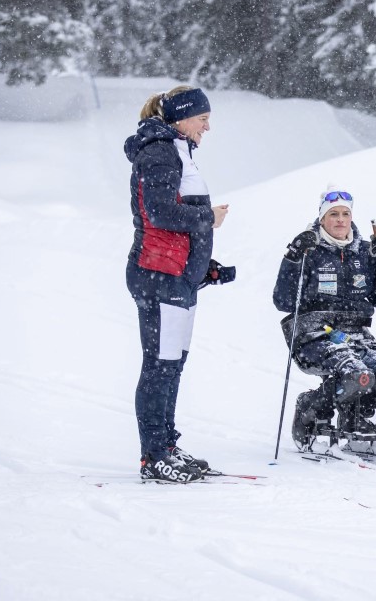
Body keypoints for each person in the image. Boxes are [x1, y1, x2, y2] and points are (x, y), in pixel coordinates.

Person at [125, 85, 234, 483]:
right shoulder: (159, 151)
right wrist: (209, 218)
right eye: (203, 119)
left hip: (177, 275)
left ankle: (166, 445)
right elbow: (160, 212)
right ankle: (154, 455)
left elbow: (177, 218)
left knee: (173, 366)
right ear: (182, 118)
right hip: (158, 275)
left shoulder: (178, 151)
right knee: (160, 366)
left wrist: (204, 266)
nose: (208, 127)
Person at [274, 187, 376, 449]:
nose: (340, 219)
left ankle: (356, 416)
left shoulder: (364, 251)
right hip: (314, 333)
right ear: (322, 218)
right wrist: (292, 258)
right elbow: (282, 301)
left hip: (357, 335)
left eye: (345, 214)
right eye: (334, 214)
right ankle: (311, 407)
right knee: (356, 374)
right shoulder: (309, 248)